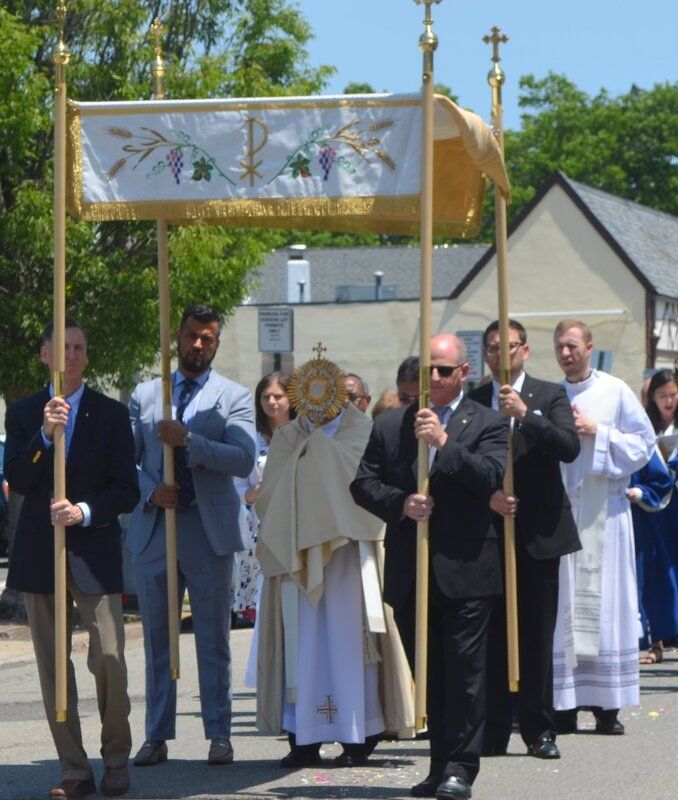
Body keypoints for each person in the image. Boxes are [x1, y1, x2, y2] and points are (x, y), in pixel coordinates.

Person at [351, 334, 509, 800]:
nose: (434, 379)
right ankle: (439, 764)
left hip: (467, 567)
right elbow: (362, 484)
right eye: (427, 371)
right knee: (431, 672)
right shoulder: (392, 425)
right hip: (412, 570)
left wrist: (443, 444)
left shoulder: (489, 421)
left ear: (464, 372)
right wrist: (402, 503)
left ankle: (461, 766)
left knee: (464, 674)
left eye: (443, 370)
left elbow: (489, 476)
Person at [255, 353, 412, 769]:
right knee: (301, 646)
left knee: (350, 644)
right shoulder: (288, 438)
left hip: (347, 556)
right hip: (298, 558)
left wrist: (318, 458)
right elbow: (269, 496)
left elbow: (368, 488)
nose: (320, 404)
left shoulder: (363, 432)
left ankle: (358, 735)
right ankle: (302, 737)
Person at [4, 318, 139, 799]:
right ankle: (74, 769)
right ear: (44, 355)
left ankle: (116, 757)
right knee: (52, 668)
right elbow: (17, 480)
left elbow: (126, 489)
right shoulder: (22, 413)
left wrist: (82, 511)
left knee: (108, 657)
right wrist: (44, 437)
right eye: (62, 347)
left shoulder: (110, 414)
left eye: (80, 347)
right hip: (41, 557)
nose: (73, 355)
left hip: (93, 553)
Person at [126, 304, 256, 767]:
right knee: (157, 638)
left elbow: (243, 458)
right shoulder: (145, 395)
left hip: (207, 529)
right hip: (156, 529)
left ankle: (219, 733)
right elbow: (127, 460)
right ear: (176, 339)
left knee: (212, 638)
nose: (199, 345)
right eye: (192, 336)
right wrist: (150, 490)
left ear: (217, 343)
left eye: (209, 338)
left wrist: (189, 442)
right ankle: (156, 734)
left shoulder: (234, 396)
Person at [470, 319, 581, 760]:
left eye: (510, 347)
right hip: (489, 531)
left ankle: (539, 728)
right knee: (492, 633)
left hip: (539, 532)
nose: (502, 355)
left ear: (525, 350)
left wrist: (526, 416)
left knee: (536, 634)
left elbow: (568, 446)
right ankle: (494, 728)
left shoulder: (548, 394)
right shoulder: (476, 399)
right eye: (493, 348)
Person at [551, 320, 654, 735]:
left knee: (607, 605)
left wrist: (600, 433)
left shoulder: (615, 391)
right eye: (560, 346)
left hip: (606, 514)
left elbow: (645, 446)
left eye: (573, 345)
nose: (566, 353)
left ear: (590, 347)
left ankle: (607, 705)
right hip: (564, 510)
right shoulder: (550, 395)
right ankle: (564, 704)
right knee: (566, 607)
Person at [232, 372, 295, 625]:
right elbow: (235, 485)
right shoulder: (250, 438)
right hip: (257, 525)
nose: (272, 401)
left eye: (278, 396)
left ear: (291, 398)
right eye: (265, 396)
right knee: (262, 603)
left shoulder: (303, 434)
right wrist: (250, 494)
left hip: (293, 521)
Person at [629, 369, 678, 664]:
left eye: (673, 395)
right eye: (663, 396)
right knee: (658, 571)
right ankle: (657, 640)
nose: (669, 401)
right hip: (657, 507)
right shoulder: (645, 426)